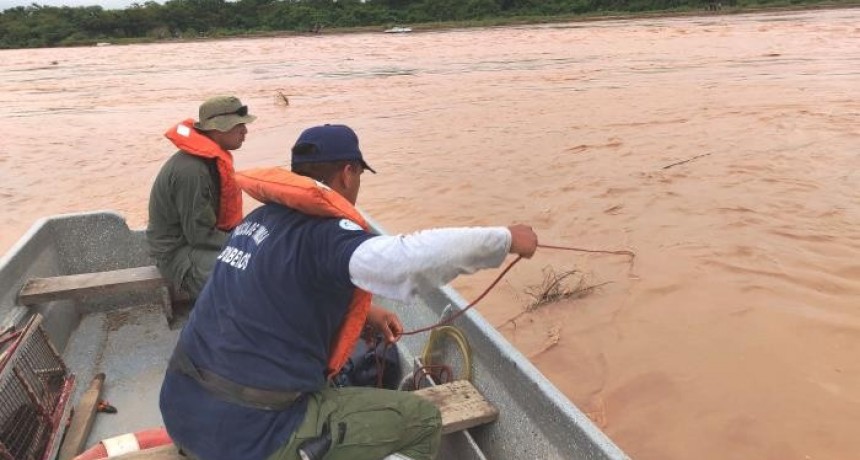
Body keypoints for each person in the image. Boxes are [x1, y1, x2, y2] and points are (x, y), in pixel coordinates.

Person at [159, 124, 539, 460]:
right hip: (251, 438)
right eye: (358, 175)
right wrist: (505, 240)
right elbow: (406, 261)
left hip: (182, 410)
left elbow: (273, 297)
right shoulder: (326, 235)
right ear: (348, 172)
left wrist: (365, 317)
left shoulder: (259, 221)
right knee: (423, 420)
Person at [146, 95, 256, 299]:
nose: (245, 131)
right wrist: (244, 243)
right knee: (246, 274)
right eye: (239, 125)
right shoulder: (193, 171)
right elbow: (199, 236)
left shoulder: (209, 162)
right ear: (217, 128)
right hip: (178, 253)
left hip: (197, 241)